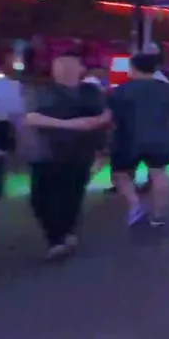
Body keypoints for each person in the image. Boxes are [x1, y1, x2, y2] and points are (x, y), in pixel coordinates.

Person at [21, 50, 110, 260]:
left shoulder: (91, 92)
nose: (64, 69)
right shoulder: (41, 90)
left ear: (81, 69)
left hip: (81, 152)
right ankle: (57, 237)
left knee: (72, 195)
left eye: (70, 64)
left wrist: (101, 149)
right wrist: (73, 125)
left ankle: (63, 235)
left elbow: (103, 118)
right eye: (60, 64)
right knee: (42, 198)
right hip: (46, 153)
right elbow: (31, 118)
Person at [108, 53, 169, 228]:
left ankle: (134, 203)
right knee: (159, 173)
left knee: (121, 173)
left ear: (133, 68)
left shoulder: (121, 90)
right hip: (160, 138)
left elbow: (112, 118)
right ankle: (158, 215)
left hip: (128, 138)